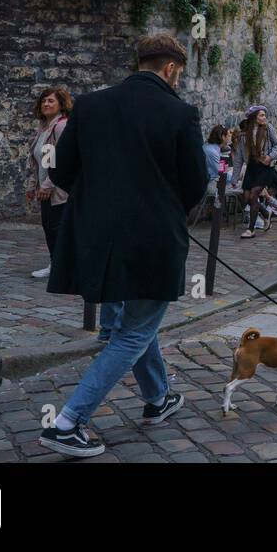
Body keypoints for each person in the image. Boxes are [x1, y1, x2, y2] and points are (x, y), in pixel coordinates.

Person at [37, 34, 205, 458]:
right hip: (154, 240)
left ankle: (158, 397)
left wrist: (99, 203)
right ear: (170, 69)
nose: (178, 80)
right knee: (132, 333)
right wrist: (162, 209)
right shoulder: (180, 113)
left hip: (100, 238)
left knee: (136, 323)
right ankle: (68, 421)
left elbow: (60, 170)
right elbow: (196, 185)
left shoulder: (90, 106)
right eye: (179, 74)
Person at [26, 86, 72, 279]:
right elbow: (43, 160)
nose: (46, 103)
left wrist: (48, 185)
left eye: (51, 100)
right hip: (47, 188)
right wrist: (33, 185)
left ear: (61, 104)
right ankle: (57, 265)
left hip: (60, 191)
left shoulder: (61, 126)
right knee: (50, 227)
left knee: (57, 229)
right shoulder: (44, 128)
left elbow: (64, 159)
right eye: (44, 100)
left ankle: (61, 267)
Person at [239, 106, 277, 239]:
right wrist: (235, 178)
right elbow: (239, 158)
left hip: (264, 167)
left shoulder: (268, 129)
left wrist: (270, 156)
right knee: (246, 198)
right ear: (254, 117)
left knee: (254, 195)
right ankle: (265, 212)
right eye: (261, 115)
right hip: (251, 167)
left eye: (264, 115)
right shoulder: (246, 133)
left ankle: (250, 230)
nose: (264, 118)